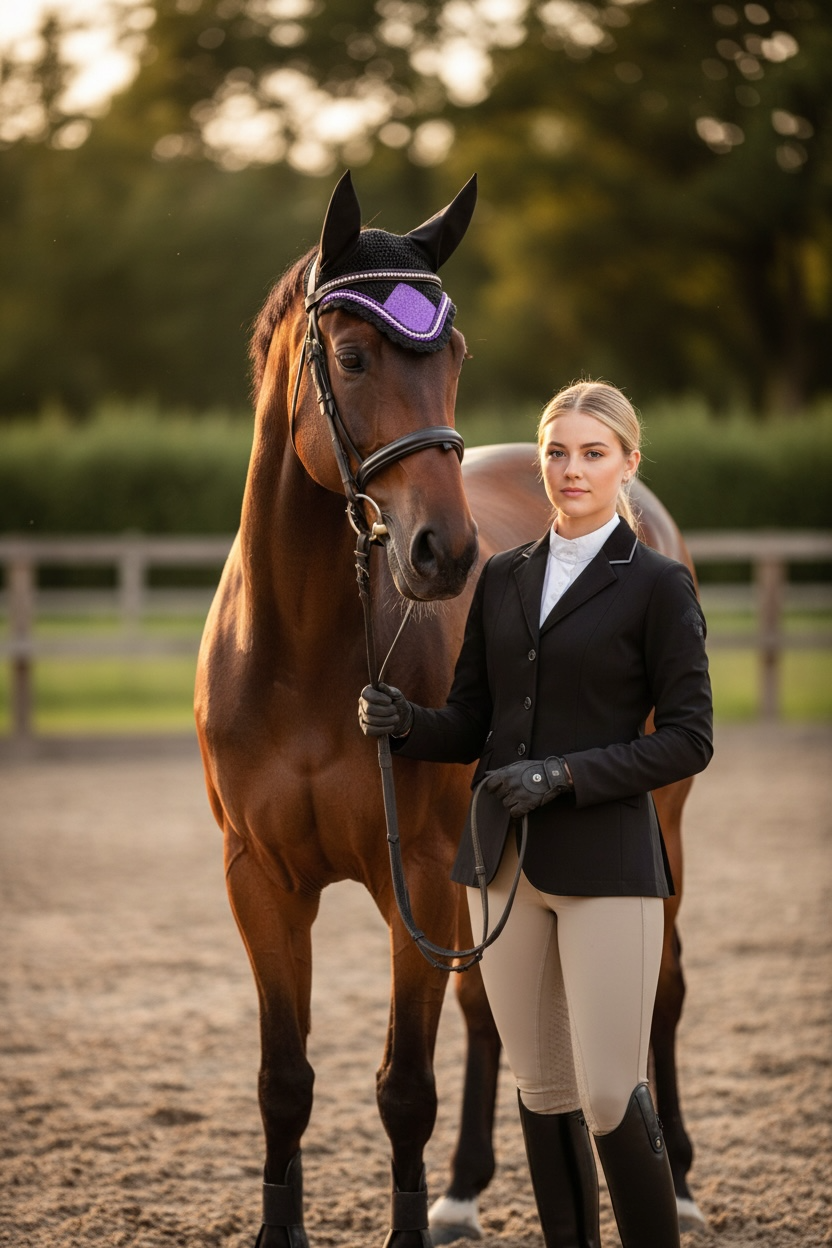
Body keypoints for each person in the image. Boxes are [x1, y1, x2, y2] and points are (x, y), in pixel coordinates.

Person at [358, 379, 713, 1248]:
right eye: (557, 451)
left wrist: (564, 775)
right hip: (502, 864)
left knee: (604, 1093)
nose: (569, 470)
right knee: (542, 1090)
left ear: (629, 463)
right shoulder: (503, 576)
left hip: (605, 859)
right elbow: (473, 722)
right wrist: (408, 728)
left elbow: (689, 740)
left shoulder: (657, 585)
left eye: (593, 453)